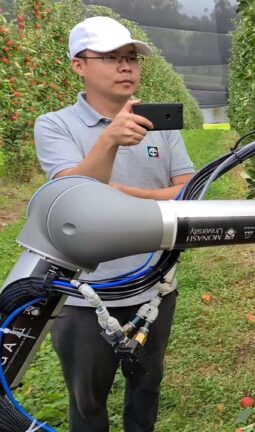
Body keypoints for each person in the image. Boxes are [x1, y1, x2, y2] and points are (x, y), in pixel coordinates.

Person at [32, 16, 195, 432]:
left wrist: (120, 195)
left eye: (130, 58)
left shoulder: (159, 125)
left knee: (147, 387)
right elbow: (70, 204)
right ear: (78, 65)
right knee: (87, 400)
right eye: (109, 57)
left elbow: (189, 193)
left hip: (153, 287)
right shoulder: (54, 125)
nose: (126, 67)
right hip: (82, 295)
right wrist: (108, 141)